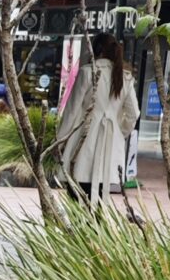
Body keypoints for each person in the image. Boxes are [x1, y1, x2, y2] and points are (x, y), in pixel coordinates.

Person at [56, 40, 141, 204]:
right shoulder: (125, 77)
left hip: (83, 138)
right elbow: (133, 114)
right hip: (110, 144)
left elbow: (72, 111)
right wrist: (119, 132)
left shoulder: (88, 72)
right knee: (101, 193)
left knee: (77, 189)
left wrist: (60, 141)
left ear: (97, 50)